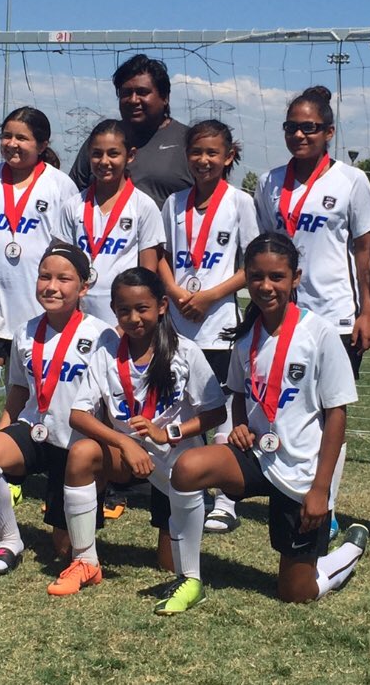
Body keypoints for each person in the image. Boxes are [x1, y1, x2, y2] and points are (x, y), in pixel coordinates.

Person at [167, 233, 370, 611]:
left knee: (296, 593)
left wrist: (320, 491)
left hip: (301, 471)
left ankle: (347, 552)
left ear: (296, 278)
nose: (265, 286)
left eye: (277, 276)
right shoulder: (246, 336)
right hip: (257, 456)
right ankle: (189, 576)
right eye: (256, 276)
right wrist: (241, 423)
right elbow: (240, 393)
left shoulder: (320, 334)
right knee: (187, 468)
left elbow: (337, 416)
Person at [254, 85, 370, 537]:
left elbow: (365, 251)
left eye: (308, 127)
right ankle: (289, 489)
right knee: (288, 408)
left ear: (328, 131)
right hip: (284, 317)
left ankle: (324, 507)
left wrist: (368, 311)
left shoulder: (351, 180)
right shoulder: (269, 183)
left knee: (331, 413)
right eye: (291, 127)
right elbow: (265, 252)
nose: (299, 135)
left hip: (335, 317)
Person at [53, 267, 227, 601]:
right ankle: (85, 560)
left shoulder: (185, 352)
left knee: (168, 565)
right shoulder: (105, 355)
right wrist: (122, 441)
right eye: (123, 310)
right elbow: (77, 414)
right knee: (81, 452)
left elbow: (215, 412)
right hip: (128, 457)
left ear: (162, 305)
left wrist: (169, 432)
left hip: (179, 466)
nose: (133, 318)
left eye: (142, 308)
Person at [0, 107, 79, 510]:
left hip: (38, 313)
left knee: (28, 397)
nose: (12, 144)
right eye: (7, 135)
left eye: (22, 138)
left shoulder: (60, 186)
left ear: (42, 144)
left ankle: (14, 471)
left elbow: (67, 252)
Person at [0, 242, 111, 574]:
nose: (52, 286)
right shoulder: (26, 331)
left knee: (63, 549)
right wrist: (4, 428)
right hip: (35, 430)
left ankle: (78, 538)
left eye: (64, 279)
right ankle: (9, 541)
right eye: (45, 276)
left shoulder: (101, 335)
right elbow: (18, 388)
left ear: (83, 286)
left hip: (77, 442)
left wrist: (103, 459)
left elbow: (110, 399)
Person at [158, 119, 258, 533]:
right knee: (181, 406)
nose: (203, 160)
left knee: (218, 410)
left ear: (228, 156)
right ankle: (186, 482)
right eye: (197, 152)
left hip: (218, 323)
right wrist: (175, 292)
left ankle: (226, 499)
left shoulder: (240, 202)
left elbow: (251, 265)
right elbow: (161, 255)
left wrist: (209, 296)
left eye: (212, 153)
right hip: (178, 321)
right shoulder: (174, 203)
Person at [58, 119, 164, 327]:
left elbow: (148, 275)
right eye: (97, 153)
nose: (104, 161)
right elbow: (61, 262)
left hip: (122, 321)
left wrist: (127, 326)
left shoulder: (144, 206)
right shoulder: (72, 205)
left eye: (113, 154)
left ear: (130, 155)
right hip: (75, 318)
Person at [68, 54, 191, 207]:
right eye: (126, 93)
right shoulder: (103, 140)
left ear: (165, 97)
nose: (133, 100)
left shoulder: (188, 142)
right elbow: (73, 193)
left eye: (142, 92)